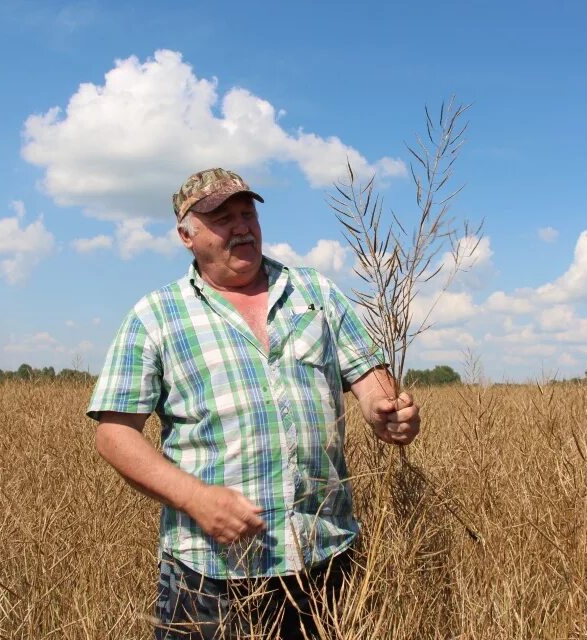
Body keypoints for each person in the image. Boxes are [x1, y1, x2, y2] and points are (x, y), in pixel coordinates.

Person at [86, 168, 421, 639]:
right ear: (187, 235)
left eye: (247, 213)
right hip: (209, 577)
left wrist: (390, 412)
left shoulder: (314, 293)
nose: (242, 226)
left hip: (324, 562)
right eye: (222, 218)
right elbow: (113, 435)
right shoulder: (155, 316)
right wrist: (196, 499)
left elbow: (371, 382)